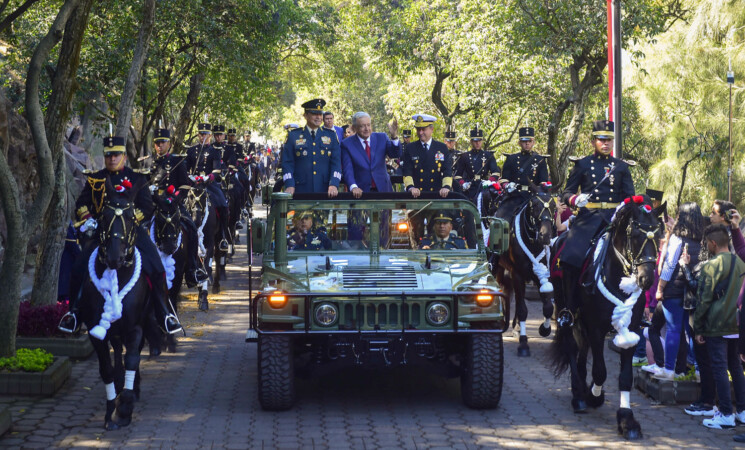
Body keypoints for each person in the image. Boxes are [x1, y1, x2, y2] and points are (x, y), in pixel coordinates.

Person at [59, 136, 182, 335]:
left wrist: (131, 221)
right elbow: (81, 204)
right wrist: (88, 217)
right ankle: (73, 313)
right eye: (108, 155)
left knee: (157, 268)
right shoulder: (95, 178)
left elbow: (147, 207)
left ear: (124, 156)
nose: (112, 159)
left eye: (116, 155)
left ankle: (165, 314)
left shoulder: (137, 178)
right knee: (78, 267)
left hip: (131, 232)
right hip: (101, 232)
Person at [558, 120, 635, 314]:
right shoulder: (582, 164)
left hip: (614, 219)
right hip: (588, 218)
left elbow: (629, 197)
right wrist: (575, 200)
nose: (606, 143)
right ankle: (569, 307)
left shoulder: (621, 167)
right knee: (569, 257)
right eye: (601, 139)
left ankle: (636, 309)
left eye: (609, 139)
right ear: (593, 141)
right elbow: (566, 193)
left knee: (638, 257)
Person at [694, 224, 745, 430]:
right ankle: (741, 410)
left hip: (716, 324)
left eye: (708, 242)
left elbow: (704, 299)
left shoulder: (710, 266)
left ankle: (725, 413)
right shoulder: (742, 262)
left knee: (719, 368)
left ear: (713, 243)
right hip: (737, 323)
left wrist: (698, 327)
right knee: (735, 367)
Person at [652, 202, 705, 380]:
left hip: (674, 290)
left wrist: (660, 288)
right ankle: (696, 370)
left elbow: (668, 267)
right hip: (693, 291)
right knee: (690, 332)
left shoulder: (677, 239)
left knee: (674, 330)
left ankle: (669, 369)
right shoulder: (702, 240)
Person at [150, 127, 208, 287]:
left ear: (169, 143)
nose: (160, 145)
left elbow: (184, 186)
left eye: (163, 142)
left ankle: (192, 269)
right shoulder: (150, 162)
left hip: (173, 204)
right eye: (157, 143)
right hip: (154, 205)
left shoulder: (177, 161)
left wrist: (174, 199)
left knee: (191, 228)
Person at [185, 121, 231, 251]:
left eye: (206, 134)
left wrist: (209, 177)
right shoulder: (191, 150)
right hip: (194, 184)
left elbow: (217, 170)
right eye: (201, 134)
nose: (203, 136)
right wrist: (190, 177)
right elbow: (186, 168)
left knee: (223, 204)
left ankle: (223, 236)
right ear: (198, 135)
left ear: (210, 135)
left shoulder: (214, 151)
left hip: (209, 185)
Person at [281, 99, 342, 197]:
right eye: (314, 114)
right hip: (299, 190)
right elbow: (287, 163)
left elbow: (336, 163)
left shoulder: (331, 135)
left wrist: (334, 184)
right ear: (305, 115)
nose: (318, 117)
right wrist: (289, 184)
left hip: (325, 191)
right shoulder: (293, 135)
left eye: (320, 114)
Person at [341, 111, 401, 197]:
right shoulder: (347, 144)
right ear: (354, 128)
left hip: (383, 190)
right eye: (362, 126)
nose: (367, 129)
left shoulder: (382, 137)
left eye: (368, 125)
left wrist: (394, 137)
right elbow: (348, 169)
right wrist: (353, 187)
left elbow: (395, 154)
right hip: (360, 192)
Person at [497, 126, 550, 217]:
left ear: (533, 142)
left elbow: (543, 182)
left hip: (533, 197)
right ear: (519, 143)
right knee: (501, 217)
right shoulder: (511, 159)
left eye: (529, 141)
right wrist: (507, 186)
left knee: (547, 217)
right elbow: (504, 179)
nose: (527, 144)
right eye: (524, 141)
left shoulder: (540, 160)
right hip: (515, 196)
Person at [453, 125, 500, 202]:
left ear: (482, 141)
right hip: (469, 187)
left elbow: (496, 172)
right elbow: (458, 175)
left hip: (484, 186)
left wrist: (489, 181)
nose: (477, 143)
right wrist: (463, 183)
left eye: (479, 141)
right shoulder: (465, 156)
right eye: (475, 141)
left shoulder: (488, 155)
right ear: (471, 141)